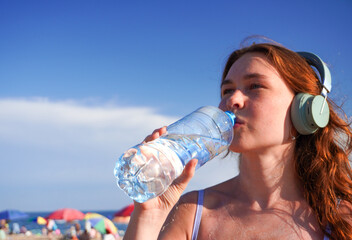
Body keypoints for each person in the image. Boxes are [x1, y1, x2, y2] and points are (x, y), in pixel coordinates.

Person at [123, 38, 352, 240]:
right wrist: (150, 214)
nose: (233, 100)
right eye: (226, 90)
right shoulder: (193, 212)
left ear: (304, 110)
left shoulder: (342, 218)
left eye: (254, 86)